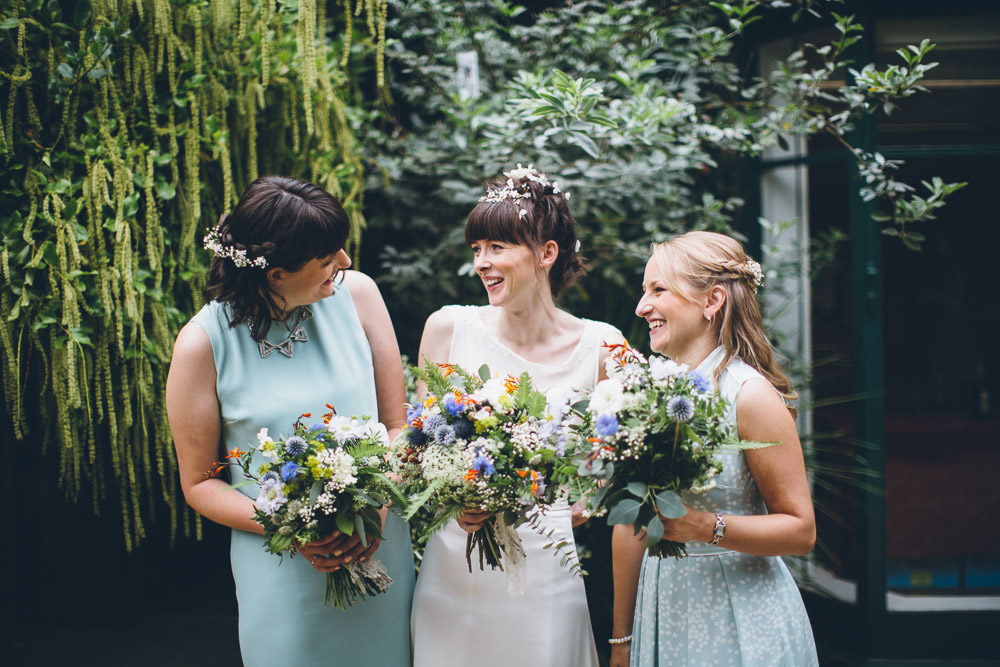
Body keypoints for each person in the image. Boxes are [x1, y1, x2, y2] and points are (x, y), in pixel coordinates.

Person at [165, 176, 414, 666]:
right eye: (327, 258)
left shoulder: (360, 296)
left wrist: (378, 502)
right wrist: (294, 526)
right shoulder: (201, 345)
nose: (345, 262)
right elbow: (199, 483)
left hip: (379, 548)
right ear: (277, 274)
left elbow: (397, 426)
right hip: (280, 565)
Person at [410, 165, 625, 666]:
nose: (481, 263)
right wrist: (455, 495)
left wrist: (582, 501)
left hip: (546, 575)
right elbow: (420, 450)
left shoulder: (603, 345)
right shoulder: (447, 329)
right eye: (476, 249)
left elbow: (614, 469)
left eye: (497, 247)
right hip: (454, 572)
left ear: (547, 253)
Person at [610, 230, 818, 666]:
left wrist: (706, 526)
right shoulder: (647, 396)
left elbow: (801, 531)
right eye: (644, 291)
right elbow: (632, 524)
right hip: (663, 609)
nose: (642, 306)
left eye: (658, 290)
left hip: (739, 617)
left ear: (712, 301)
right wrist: (622, 640)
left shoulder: (749, 395)